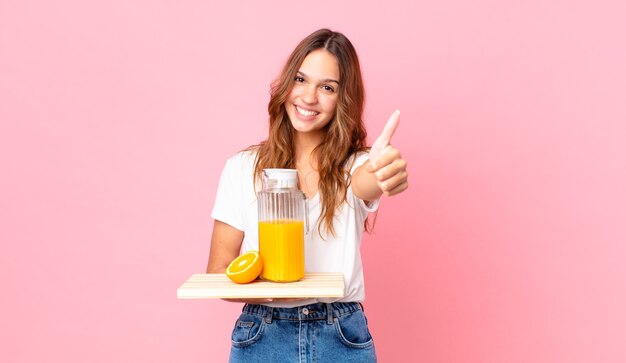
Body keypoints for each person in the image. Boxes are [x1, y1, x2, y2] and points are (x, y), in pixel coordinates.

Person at [206, 28, 408, 362]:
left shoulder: (354, 165)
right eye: (301, 80)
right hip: (262, 332)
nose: (309, 97)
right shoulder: (242, 168)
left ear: (343, 100)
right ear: (286, 85)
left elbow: (366, 180)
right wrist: (267, 282)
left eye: (327, 87)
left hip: (340, 334)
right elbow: (219, 271)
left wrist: (383, 170)